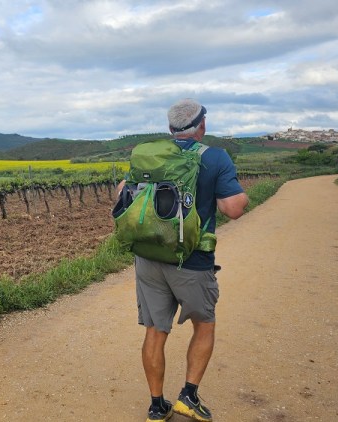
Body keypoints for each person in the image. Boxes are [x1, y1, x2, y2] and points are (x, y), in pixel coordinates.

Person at [123, 99, 249, 422]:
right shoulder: (216, 157)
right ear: (202, 125)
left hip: (149, 257)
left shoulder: (150, 156)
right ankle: (188, 398)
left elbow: (123, 191)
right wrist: (242, 195)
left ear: (171, 129)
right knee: (204, 325)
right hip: (192, 260)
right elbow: (233, 208)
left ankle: (156, 407)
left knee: (154, 330)